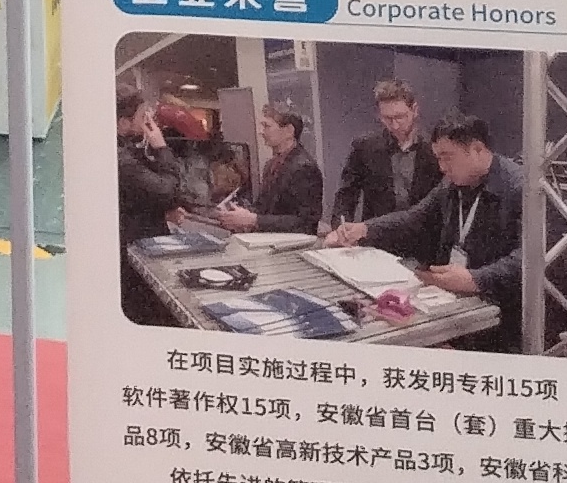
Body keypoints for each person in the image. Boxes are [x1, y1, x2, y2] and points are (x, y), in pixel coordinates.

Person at [324, 114, 529, 350]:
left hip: (511, 318)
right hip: (467, 304)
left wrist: (476, 279)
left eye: (447, 157)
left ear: (477, 149)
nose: (442, 167)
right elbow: (415, 218)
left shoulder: (521, 189)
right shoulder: (452, 185)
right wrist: (365, 229)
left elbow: (532, 259)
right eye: (438, 158)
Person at [113, 85, 188, 325]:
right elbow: (168, 191)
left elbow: (142, 194)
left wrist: (159, 209)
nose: (147, 119)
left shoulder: (124, 150)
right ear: (123, 122)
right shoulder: (121, 159)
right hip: (133, 253)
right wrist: (161, 147)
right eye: (141, 114)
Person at [335, 76, 441, 229]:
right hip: (376, 234)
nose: (395, 125)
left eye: (400, 117)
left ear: (415, 110)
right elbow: (346, 194)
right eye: (387, 118)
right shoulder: (364, 147)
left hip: (424, 235)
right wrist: (340, 227)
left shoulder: (434, 148)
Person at [212, 102, 323, 236]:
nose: (261, 132)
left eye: (267, 126)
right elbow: (264, 208)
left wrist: (253, 220)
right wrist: (239, 215)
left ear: (289, 131)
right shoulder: (271, 165)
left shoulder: (305, 168)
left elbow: (306, 223)